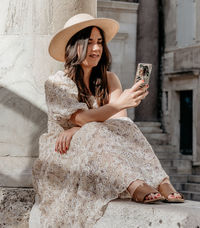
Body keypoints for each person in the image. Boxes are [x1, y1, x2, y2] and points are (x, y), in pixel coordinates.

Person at [32, 13, 184, 228]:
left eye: (100, 42)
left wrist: (77, 129)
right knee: (95, 130)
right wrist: (119, 104)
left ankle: (162, 181)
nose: (96, 49)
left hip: (95, 142)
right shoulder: (57, 83)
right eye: (89, 43)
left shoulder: (109, 79)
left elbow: (120, 123)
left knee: (125, 128)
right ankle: (135, 185)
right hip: (62, 151)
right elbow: (82, 118)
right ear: (75, 46)